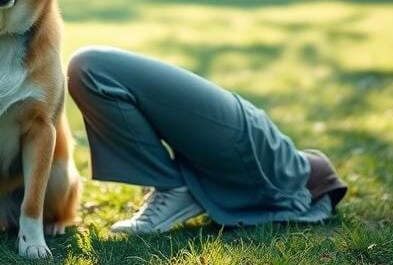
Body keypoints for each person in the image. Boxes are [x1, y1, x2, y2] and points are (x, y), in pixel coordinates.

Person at [66, 46, 348, 234]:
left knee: (90, 65)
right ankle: (173, 185)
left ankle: (172, 187)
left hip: (258, 157)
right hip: (256, 153)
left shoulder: (281, 174)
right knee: (89, 66)